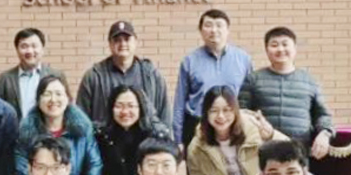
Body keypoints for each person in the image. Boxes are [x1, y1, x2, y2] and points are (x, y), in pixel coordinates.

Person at [238, 27, 335, 159]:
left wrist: (325, 134)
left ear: (295, 48)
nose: (280, 49)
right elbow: (242, 113)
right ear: (266, 49)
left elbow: (323, 115)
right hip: (263, 151)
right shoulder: (253, 79)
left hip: (300, 151)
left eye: (285, 44)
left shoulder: (309, 81)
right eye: (274, 45)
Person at [13, 74, 101, 175]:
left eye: (58, 94)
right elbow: (22, 171)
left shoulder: (82, 130)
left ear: (67, 98)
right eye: (47, 94)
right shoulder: (27, 133)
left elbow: (94, 167)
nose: (53, 99)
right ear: (38, 100)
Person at [173, 9, 254, 150]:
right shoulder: (190, 61)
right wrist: (177, 139)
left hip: (233, 124)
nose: (214, 30)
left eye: (219, 25)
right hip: (197, 124)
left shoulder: (243, 59)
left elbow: (250, 97)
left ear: (228, 30)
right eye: (208, 25)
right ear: (201, 30)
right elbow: (179, 102)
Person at [95, 85, 173, 175]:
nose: (125, 111)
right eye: (119, 106)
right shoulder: (100, 136)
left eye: (131, 106)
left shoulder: (154, 136)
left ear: (140, 108)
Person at [78, 21, 172, 128]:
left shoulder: (151, 75)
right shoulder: (94, 77)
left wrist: (165, 136)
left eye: (127, 39)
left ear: (135, 42)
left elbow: (165, 114)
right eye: (117, 40)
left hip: (146, 138)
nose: (122, 44)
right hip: (104, 138)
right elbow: (81, 119)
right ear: (110, 44)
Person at [0, 28, 66, 119]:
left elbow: (66, 107)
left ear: (42, 49)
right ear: (17, 50)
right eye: (24, 46)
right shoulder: (2, 80)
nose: (29, 51)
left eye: (34, 46)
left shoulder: (56, 76)